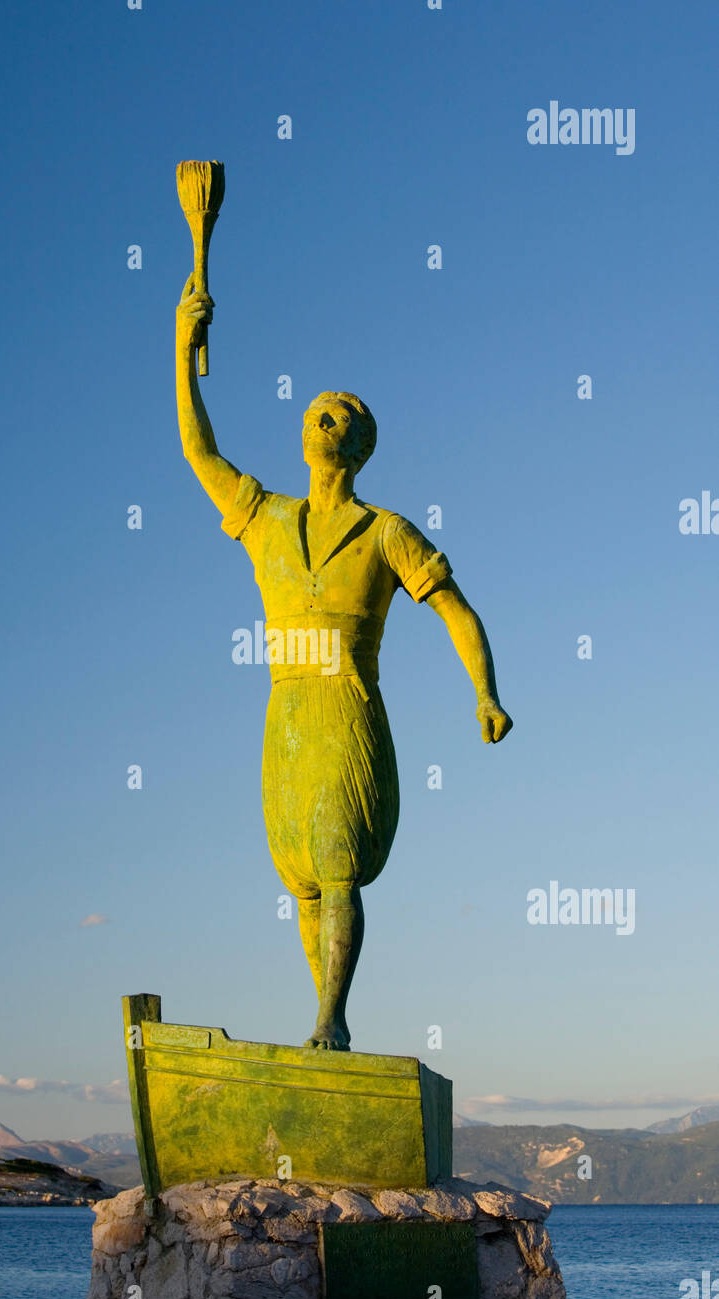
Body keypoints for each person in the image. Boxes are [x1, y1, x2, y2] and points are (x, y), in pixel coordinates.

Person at [176, 275, 512, 1051]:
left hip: (345, 707)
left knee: (338, 864)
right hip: (285, 710)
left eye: (339, 415)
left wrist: (485, 694)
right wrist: (182, 341)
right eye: (314, 411)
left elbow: (456, 609)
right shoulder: (265, 518)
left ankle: (333, 1016)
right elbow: (198, 447)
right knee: (299, 876)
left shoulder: (385, 531)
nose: (320, 419)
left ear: (360, 446)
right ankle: (321, 1014)